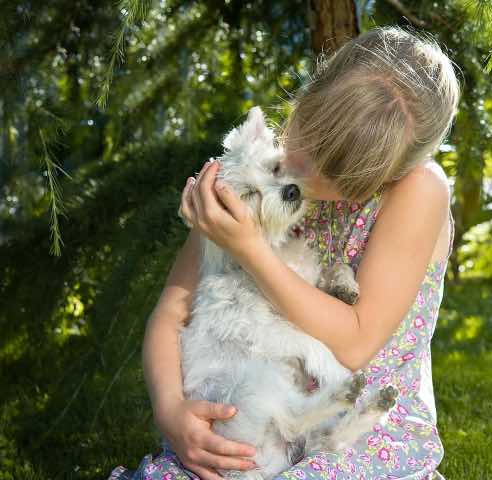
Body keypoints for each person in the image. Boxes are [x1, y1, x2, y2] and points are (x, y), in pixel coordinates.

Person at [107, 25, 460, 480]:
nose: (298, 169)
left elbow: (354, 342)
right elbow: (174, 309)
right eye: (305, 136)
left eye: (334, 171)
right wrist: (171, 410)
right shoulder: (259, 172)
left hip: (360, 434)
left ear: (386, 175)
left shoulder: (418, 192)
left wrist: (250, 249)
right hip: (254, 419)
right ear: (312, 92)